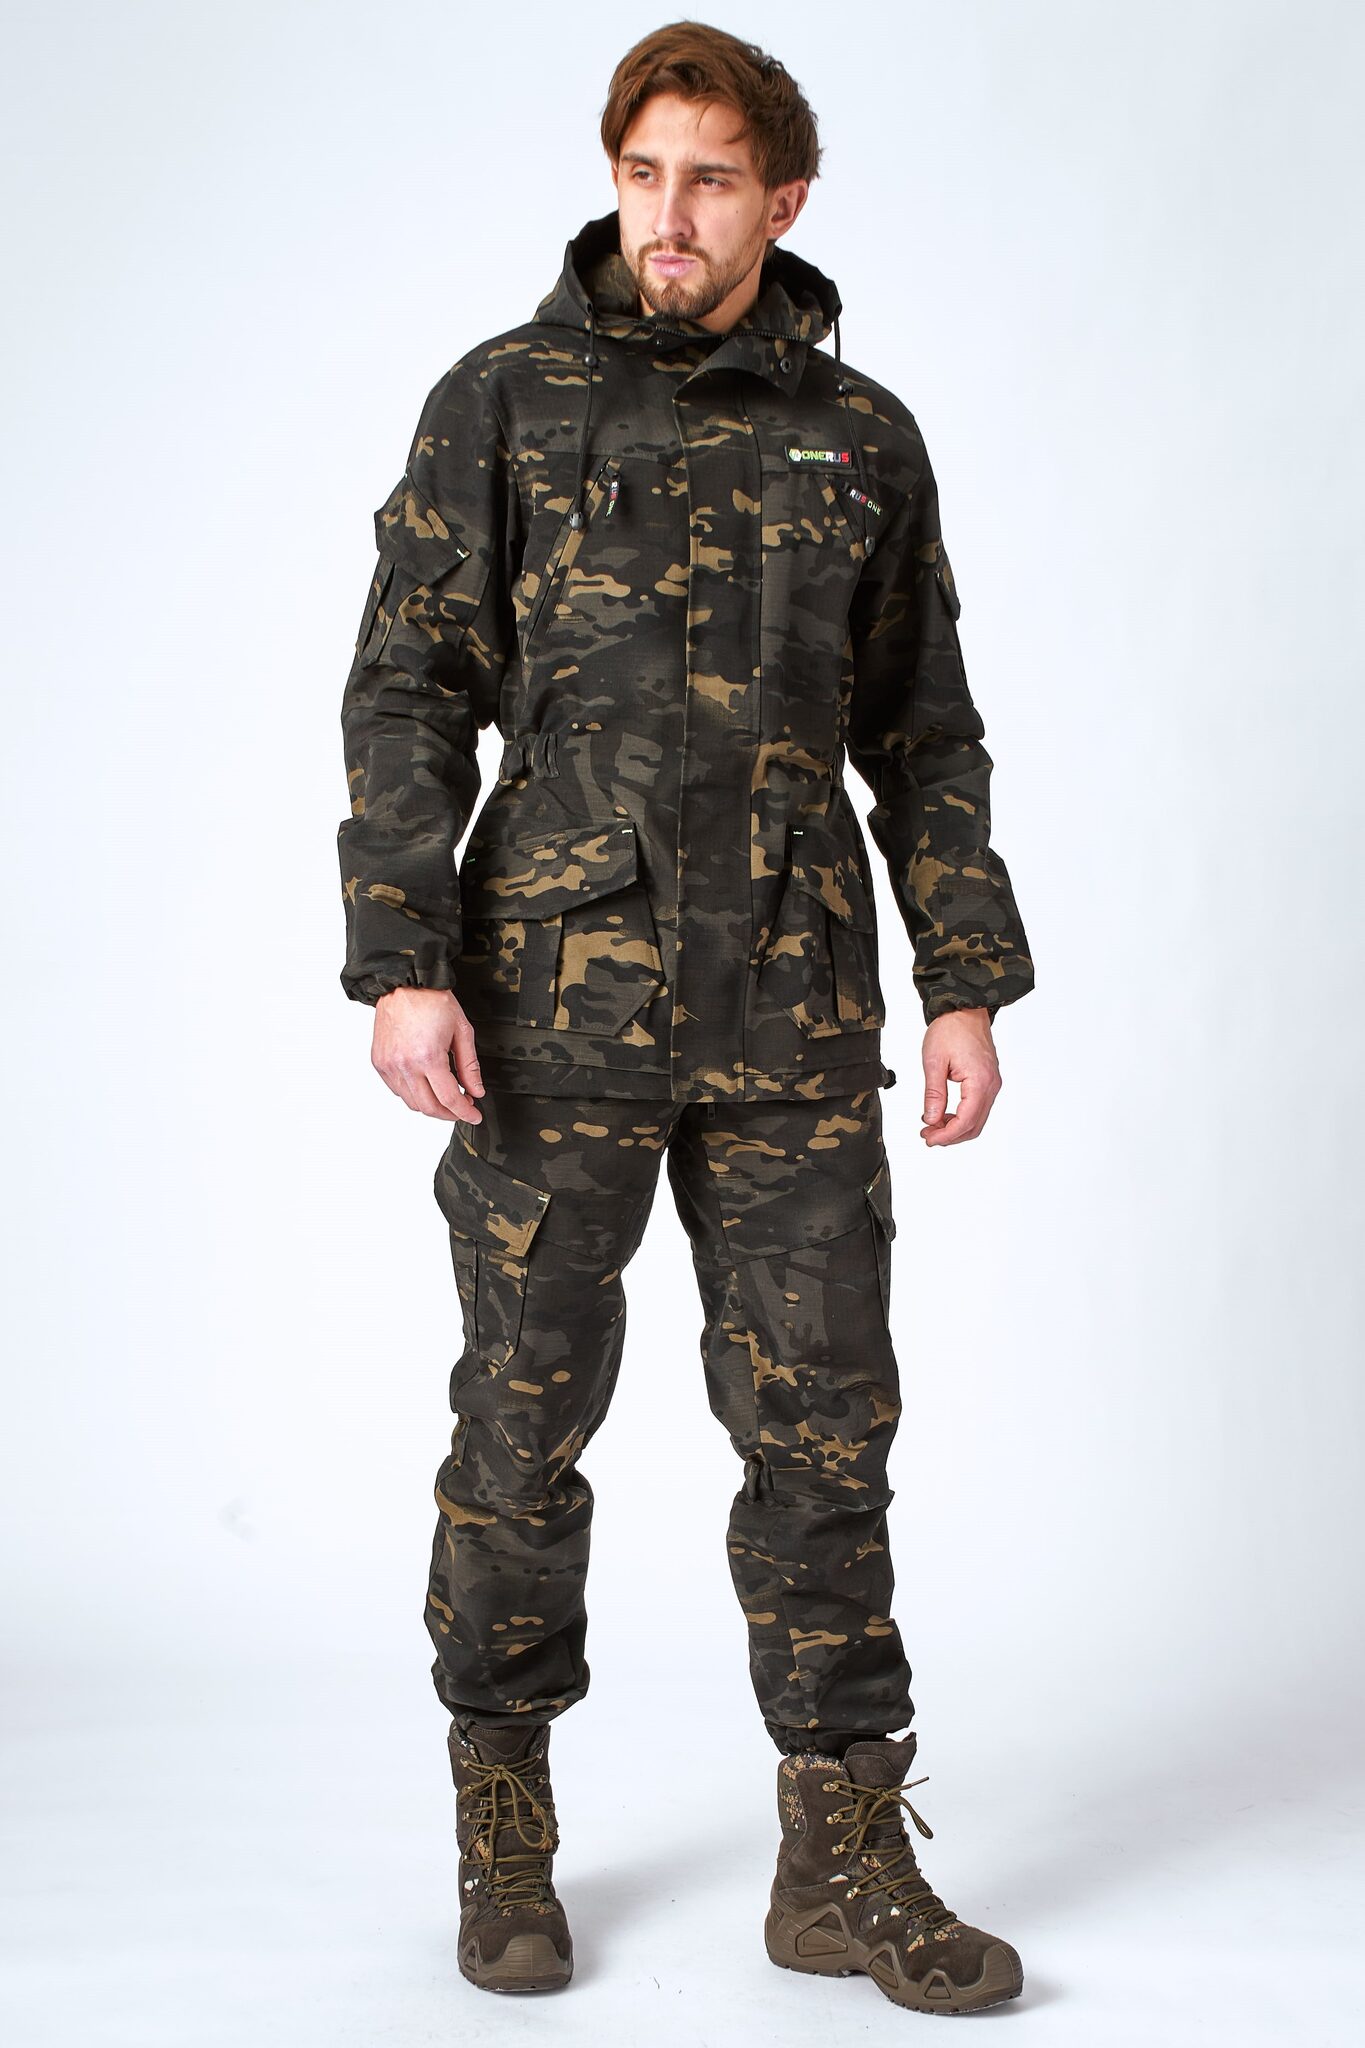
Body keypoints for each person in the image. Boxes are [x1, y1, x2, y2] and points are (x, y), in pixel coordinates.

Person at [336, 19, 1034, 2015]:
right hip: (544, 1007)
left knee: (824, 1435)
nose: (668, 213)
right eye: (643, 172)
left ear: (780, 200)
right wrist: (401, 954)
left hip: (792, 1014)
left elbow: (922, 730)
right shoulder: (502, 400)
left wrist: (963, 982)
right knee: (520, 1421)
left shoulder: (858, 435)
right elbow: (408, 689)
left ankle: (840, 1859)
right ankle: (503, 1825)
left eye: (711, 178)